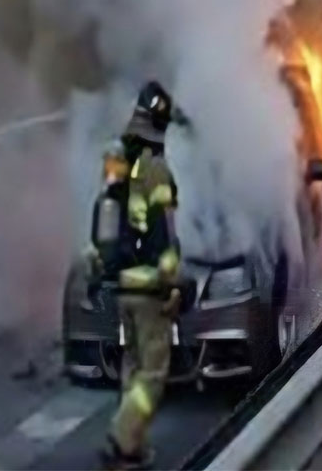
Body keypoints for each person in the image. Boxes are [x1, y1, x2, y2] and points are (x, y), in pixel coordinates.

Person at [92, 82, 183, 470]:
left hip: (120, 284)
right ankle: (121, 436)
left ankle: (132, 449)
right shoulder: (155, 168)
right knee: (154, 374)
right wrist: (170, 282)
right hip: (147, 287)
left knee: (132, 366)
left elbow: (105, 220)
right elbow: (164, 231)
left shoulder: (117, 162)